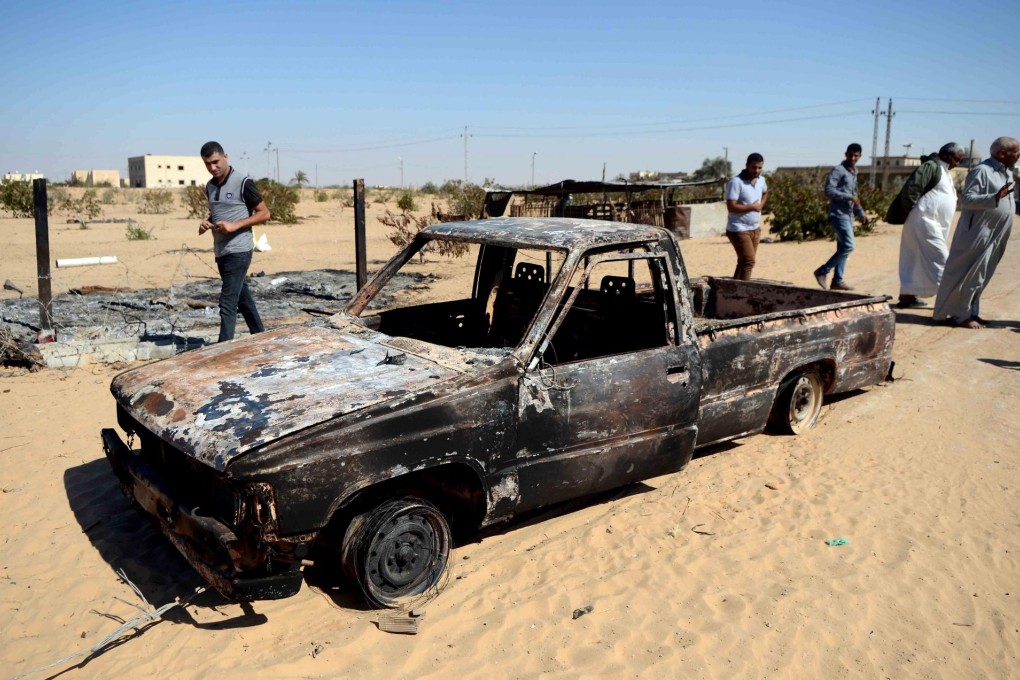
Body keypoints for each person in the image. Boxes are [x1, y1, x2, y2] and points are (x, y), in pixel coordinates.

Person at [933, 136, 1018, 329]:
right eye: (1016, 152)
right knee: (967, 273)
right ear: (1002, 154)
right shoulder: (982, 171)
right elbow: (968, 200)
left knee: (982, 273)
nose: (1019, 155)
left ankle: (971, 311)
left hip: (996, 233)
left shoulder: (1007, 172)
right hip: (978, 232)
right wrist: (994, 197)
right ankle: (959, 315)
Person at [199, 141, 271, 342]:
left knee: (227, 302)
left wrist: (234, 225)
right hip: (221, 251)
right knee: (242, 298)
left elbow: (264, 213)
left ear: (225, 157)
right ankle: (261, 337)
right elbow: (217, 213)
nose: (213, 168)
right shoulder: (210, 186)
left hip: (239, 249)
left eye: (215, 162)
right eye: (207, 164)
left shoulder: (243, 182)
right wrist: (207, 222)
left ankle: (223, 349)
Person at [888, 142, 966, 308]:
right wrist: (907, 210)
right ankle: (950, 300)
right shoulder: (932, 166)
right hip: (923, 220)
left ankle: (907, 297)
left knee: (914, 258)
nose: (957, 164)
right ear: (947, 155)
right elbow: (913, 187)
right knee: (940, 259)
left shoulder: (943, 170)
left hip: (930, 222)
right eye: (956, 160)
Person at [813, 143, 870, 290]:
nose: (852, 158)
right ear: (845, 154)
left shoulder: (854, 172)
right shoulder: (838, 170)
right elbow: (829, 190)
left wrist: (861, 213)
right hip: (838, 215)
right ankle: (822, 271)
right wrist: (848, 197)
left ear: (860, 156)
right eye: (850, 155)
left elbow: (855, 196)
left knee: (843, 248)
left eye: (856, 156)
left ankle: (837, 280)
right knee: (849, 246)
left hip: (849, 215)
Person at [725, 153, 768, 280]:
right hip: (738, 229)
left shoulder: (761, 180)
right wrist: (752, 207)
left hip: (755, 228)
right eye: (754, 167)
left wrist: (760, 205)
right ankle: (744, 292)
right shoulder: (736, 182)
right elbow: (731, 206)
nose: (756, 171)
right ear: (747, 165)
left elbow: (765, 193)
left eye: (759, 168)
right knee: (749, 261)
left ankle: (733, 291)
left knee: (743, 262)